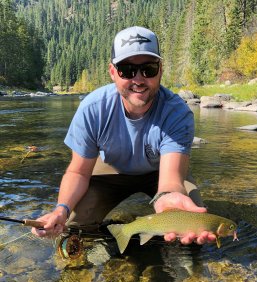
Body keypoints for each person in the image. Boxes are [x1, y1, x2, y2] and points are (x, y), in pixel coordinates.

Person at [32, 26, 216, 246]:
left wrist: (168, 199)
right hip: (112, 170)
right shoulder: (93, 109)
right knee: (74, 228)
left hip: (161, 172)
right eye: (127, 70)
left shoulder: (177, 113)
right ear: (112, 72)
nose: (138, 79)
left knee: (196, 231)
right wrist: (61, 210)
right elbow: (79, 172)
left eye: (148, 69)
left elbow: (171, 179)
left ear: (160, 70)